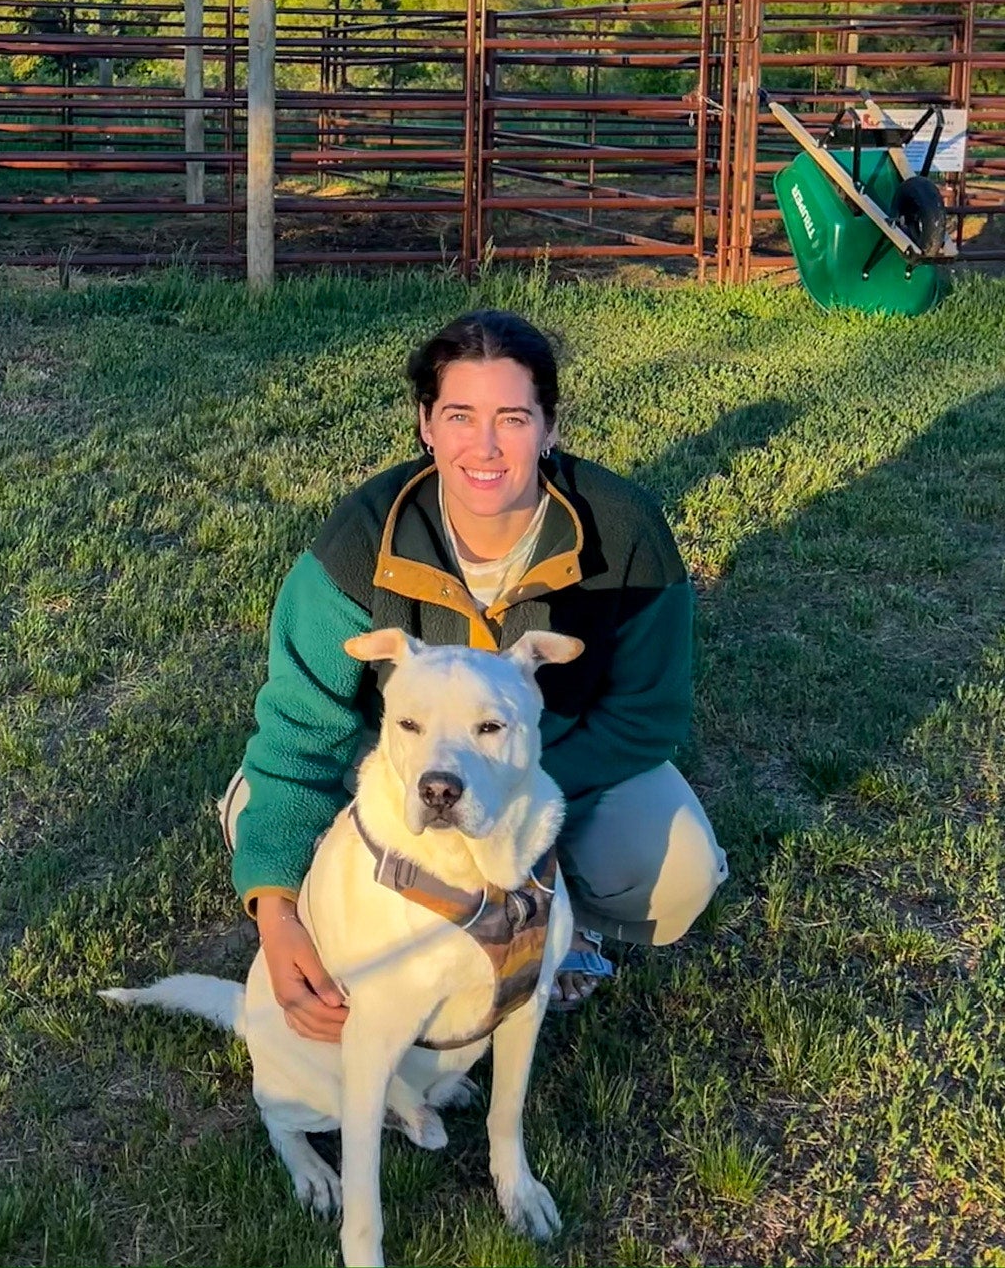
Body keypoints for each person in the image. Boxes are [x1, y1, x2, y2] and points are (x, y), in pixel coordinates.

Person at [223, 307, 727, 1041]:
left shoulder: (626, 531)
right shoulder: (361, 537)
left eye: (513, 418)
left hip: (552, 767)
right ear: (426, 423)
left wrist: (514, 795)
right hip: (393, 776)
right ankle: (374, 908)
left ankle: (559, 917)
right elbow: (302, 729)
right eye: (459, 415)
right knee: (264, 822)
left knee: (675, 869)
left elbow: (647, 714)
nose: (484, 446)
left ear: (549, 427)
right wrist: (277, 905)